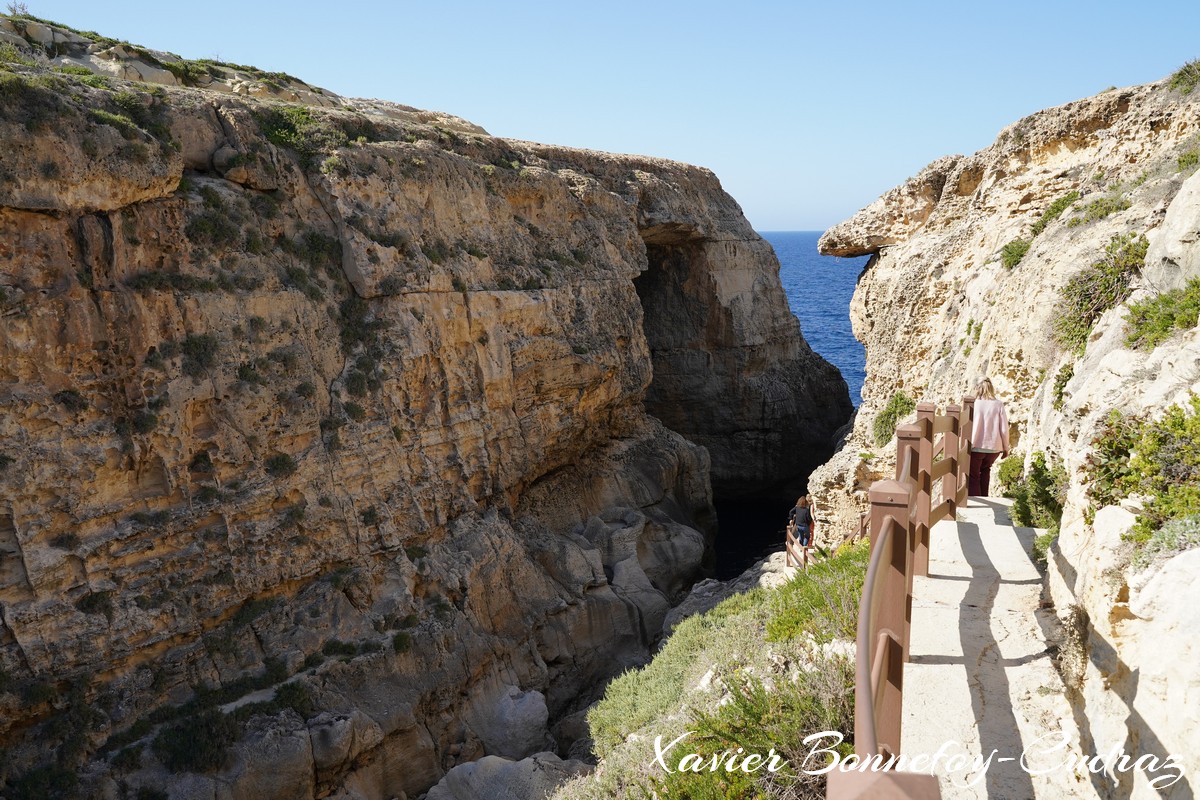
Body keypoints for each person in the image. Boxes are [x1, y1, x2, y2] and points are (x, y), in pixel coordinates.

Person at [969, 378, 1010, 496]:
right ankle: (984, 497)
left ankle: (977, 503)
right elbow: (1004, 428)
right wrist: (1005, 448)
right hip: (994, 448)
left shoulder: (973, 404)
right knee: (986, 471)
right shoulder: (998, 404)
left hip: (976, 446)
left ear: (977, 388)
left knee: (973, 477)